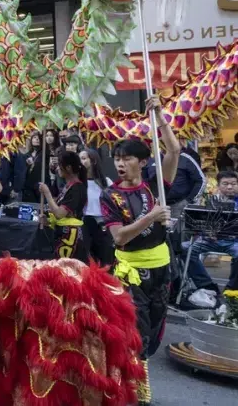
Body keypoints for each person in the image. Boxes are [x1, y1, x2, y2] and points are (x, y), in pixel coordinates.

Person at [100, 95, 180, 406]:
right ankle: (137, 393)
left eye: (126, 158)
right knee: (138, 332)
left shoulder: (154, 184)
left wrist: (159, 114)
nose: (120, 163)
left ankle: (128, 376)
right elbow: (119, 238)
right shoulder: (110, 195)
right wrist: (150, 217)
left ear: (142, 161)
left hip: (162, 267)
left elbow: (174, 150)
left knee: (156, 329)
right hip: (131, 272)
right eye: (117, 158)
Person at [182, 170, 238, 298]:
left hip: (234, 242)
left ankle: (233, 288)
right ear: (218, 185)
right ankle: (206, 285)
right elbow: (201, 222)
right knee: (185, 249)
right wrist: (206, 231)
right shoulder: (212, 200)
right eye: (225, 184)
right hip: (210, 240)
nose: (229, 187)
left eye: (233, 184)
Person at [39, 151, 89, 262]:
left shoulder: (77, 188)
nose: (57, 169)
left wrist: (47, 193)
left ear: (69, 168)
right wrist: (48, 221)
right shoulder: (68, 186)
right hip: (62, 233)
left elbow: (60, 214)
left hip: (70, 236)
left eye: (59, 166)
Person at [79, 148, 115, 266]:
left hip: (103, 224)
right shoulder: (78, 183)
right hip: (84, 223)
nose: (81, 162)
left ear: (93, 160)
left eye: (84, 158)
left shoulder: (106, 182)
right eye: (79, 159)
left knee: (105, 259)